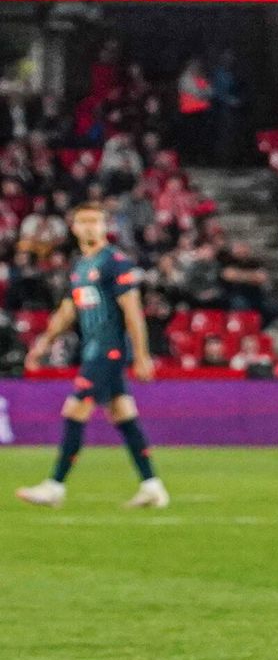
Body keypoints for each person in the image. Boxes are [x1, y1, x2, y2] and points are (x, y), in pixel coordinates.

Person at [16, 203, 169, 509]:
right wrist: (43, 343)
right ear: (73, 228)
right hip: (92, 350)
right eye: (83, 222)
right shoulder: (81, 266)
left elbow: (133, 311)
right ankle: (152, 486)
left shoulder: (115, 262)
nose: (89, 227)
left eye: (95, 222)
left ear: (104, 226)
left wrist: (141, 355)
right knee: (124, 416)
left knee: (75, 411)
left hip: (108, 351)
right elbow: (67, 311)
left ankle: (55, 486)